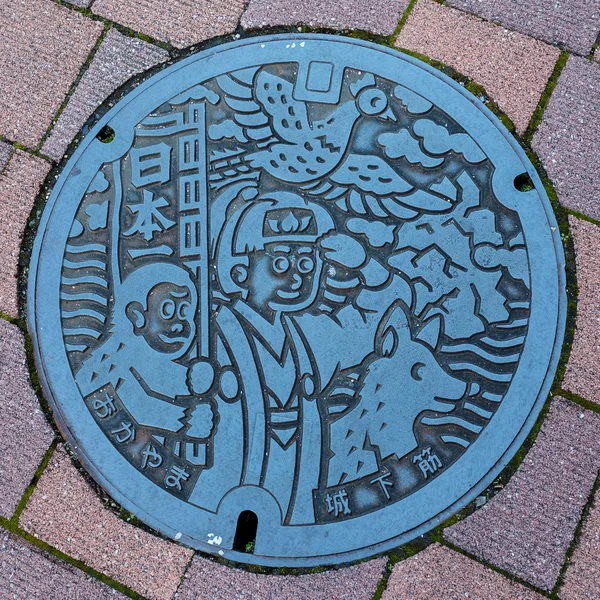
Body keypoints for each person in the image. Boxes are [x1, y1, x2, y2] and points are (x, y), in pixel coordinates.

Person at [75, 263, 214, 446]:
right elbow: (136, 403)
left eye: (185, 312)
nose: (180, 324)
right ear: (137, 316)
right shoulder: (108, 363)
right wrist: (186, 422)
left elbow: (175, 381)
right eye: (168, 311)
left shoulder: (164, 364)